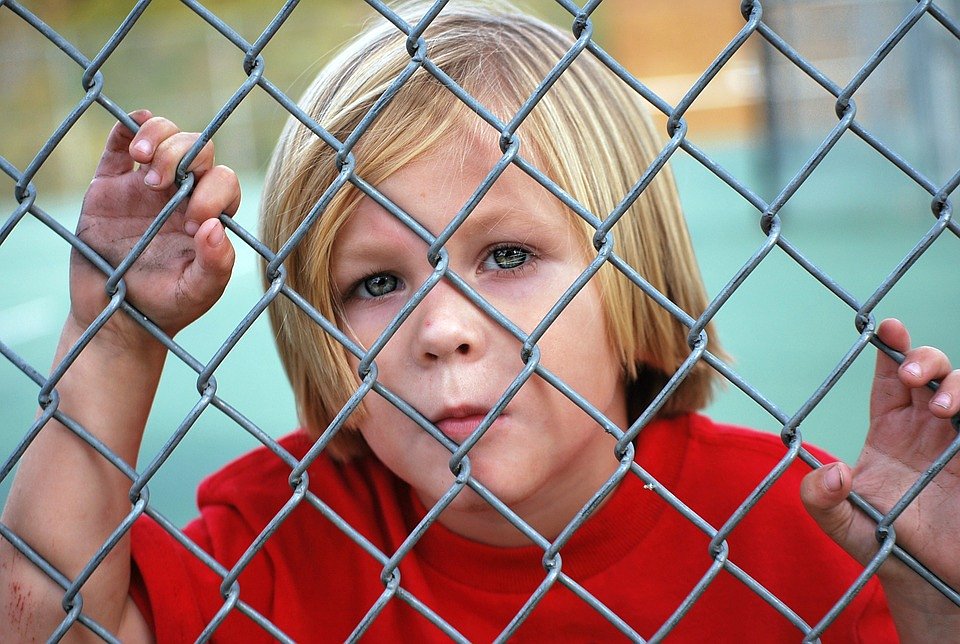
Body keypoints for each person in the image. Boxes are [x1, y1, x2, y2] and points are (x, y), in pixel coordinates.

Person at [2, 2, 959, 641]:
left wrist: (931, 586)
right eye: (374, 284)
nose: (440, 329)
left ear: (638, 289)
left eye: (505, 257)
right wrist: (116, 331)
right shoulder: (283, 533)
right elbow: (39, 616)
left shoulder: (784, 523)